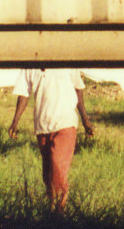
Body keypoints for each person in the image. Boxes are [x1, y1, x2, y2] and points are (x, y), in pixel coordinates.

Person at [8, 68, 96, 210]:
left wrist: (86, 121)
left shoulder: (66, 62)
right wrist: (15, 121)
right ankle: (52, 208)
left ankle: (60, 210)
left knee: (58, 165)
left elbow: (78, 90)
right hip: (42, 125)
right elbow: (24, 94)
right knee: (48, 172)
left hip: (65, 123)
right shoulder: (30, 66)